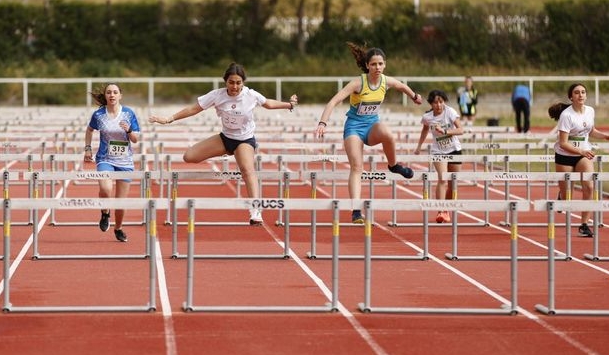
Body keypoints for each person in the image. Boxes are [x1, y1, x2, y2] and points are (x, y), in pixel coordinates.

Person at [148, 62, 299, 225]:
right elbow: (193, 109)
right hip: (225, 138)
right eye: (231, 82)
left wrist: (289, 105)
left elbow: (269, 104)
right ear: (225, 82)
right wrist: (169, 119)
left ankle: (255, 211)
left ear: (243, 83)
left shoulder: (251, 95)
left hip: (244, 140)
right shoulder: (217, 95)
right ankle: (227, 151)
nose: (235, 86)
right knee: (189, 156)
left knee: (247, 170)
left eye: (238, 82)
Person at [314, 43, 423, 224]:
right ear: (367, 66)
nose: (377, 68)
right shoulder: (358, 83)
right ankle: (356, 210)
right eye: (373, 64)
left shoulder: (386, 81)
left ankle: (393, 165)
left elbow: (402, 86)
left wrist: (414, 96)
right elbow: (334, 101)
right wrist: (323, 122)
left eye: (380, 64)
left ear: (384, 65)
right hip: (354, 128)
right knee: (357, 167)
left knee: (388, 134)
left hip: (372, 125)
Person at [548, 82, 609, 238]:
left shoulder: (590, 111)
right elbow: (563, 143)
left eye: (583, 92)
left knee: (590, 187)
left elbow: (590, 130)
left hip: (582, 156)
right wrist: (581, 151)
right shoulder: (567, 115)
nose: (581, 95)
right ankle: (561, 194)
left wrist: (605, 135)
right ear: (571, 97)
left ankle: (584, 224)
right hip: (564, 156)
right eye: (577, 92)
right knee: (567, 196)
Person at [84, 83, 141, 242]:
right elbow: (89, 130)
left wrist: (129, 130)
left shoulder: (128, 114)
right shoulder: (99, 114)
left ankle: (118, 228)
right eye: (109, 92)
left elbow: (136, 140)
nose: (112, 95)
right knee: (105, 188)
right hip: (105, 158)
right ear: (106, 96)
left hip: (125, 161)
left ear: (120, 96)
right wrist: (88, 148)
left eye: (115, 92)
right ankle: (105, 213)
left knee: (121, 203)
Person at [414, 90, 464, 223]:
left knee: (452, 182)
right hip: (438, 151)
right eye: (435, 102)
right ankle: (440, 210)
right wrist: (419, 147)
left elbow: (461, 130)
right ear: (431, 103)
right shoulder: (428, 117)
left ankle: (446, 209)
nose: (439, 105)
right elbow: (424, 130)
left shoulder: (450, 112)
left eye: (441, 102)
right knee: (442, 179)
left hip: (454, 149)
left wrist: (446, 131)